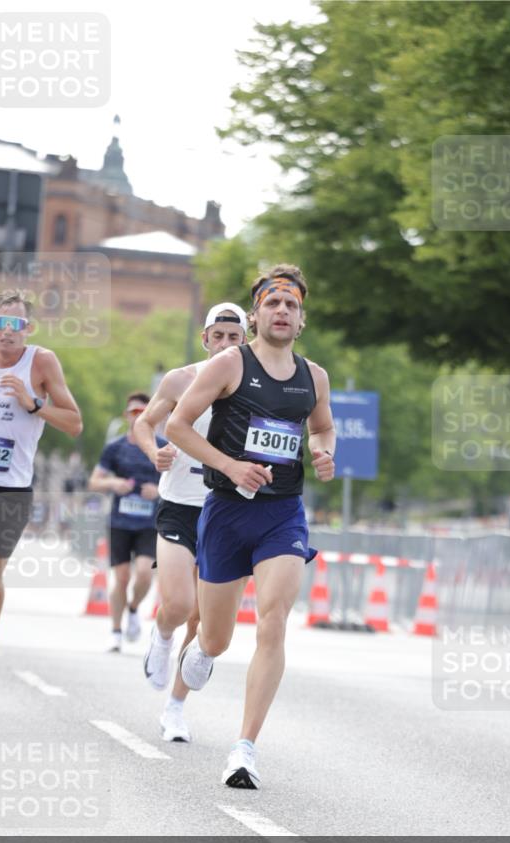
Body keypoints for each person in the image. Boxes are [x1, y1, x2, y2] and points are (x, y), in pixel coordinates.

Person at [165, 264, 335, 788]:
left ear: (301, 320)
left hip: (283, 514)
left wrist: (323, 452)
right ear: (256, 313)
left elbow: (322, 427)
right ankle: (197, 656)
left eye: (291, 306)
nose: (282, 312)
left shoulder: (315, 376)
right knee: (215, 639)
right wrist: (229, 465)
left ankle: (244, 749)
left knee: (273, 620)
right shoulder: (227, 365)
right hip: (225, 512)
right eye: (272, 304)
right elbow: (176, 426)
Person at [0, 290, 82, 713]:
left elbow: (75, 423)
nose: (7, 332)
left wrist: (32, 403)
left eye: (17, 325)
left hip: (13, 488)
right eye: (0, 323)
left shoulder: (41, 363)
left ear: (28, 330)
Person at [132, 303, 247, 742]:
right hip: (180, 503)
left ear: (244, 341)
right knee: (177, 604)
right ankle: (161, 636)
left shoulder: (251, 386)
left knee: (201, 620)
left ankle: (175, 707)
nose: (225, 344)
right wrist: (152, 452)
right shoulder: (181, 378)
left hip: (227, 509)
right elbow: (146, 424)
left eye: (234, 337)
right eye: (217, 336)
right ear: (205, 339)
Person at [88, 393, 164, 652]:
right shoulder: (115, 447)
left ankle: (133, 609)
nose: (138, 415)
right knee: (120, 578)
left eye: (143, 410)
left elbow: (178, 484)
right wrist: (113, 483)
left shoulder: (162, 446)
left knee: (144, 573)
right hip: (120, 521)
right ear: (127, 415)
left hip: (149, 523)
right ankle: (116, 631)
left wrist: (158, 491)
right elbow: (94, 481)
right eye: (133, 412)